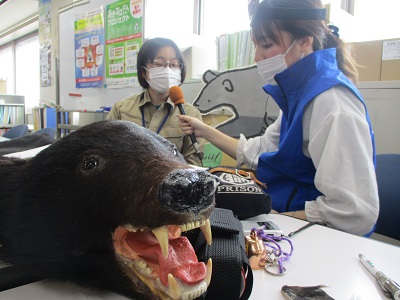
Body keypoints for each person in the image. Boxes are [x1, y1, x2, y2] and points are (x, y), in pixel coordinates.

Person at [178, 0, 379, 236]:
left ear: (304, 41)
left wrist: (276, 219)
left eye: (266, 45)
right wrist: (204, 130)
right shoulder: (300, 94)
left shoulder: (331, 103)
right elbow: (261, 150)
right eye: (255, 45)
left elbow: (355, 212)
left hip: (324, 237)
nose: (256, 57)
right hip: (288, 214)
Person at [107, 37, 204, 166]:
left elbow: (193, 163)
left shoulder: (190, 114)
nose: (168, 70)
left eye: (174, 64)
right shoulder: (121, 109)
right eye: (159, 64)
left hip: (170, 183)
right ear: (143, 71)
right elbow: (105, 148)